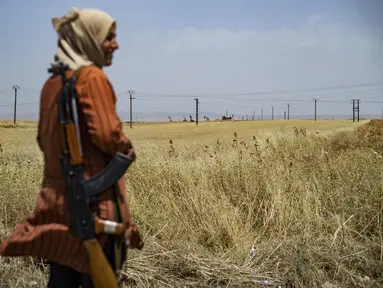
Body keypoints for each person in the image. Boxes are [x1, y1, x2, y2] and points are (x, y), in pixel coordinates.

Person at [0, 7, 142, 287]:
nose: (116, 44)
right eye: (108, 37)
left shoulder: (51, 84)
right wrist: (127, 147)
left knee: (62, 278)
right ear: (87, 38)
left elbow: (44, 141)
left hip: (58, 207)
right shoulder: (91, 78)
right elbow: (108, 135)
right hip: (94, 209)